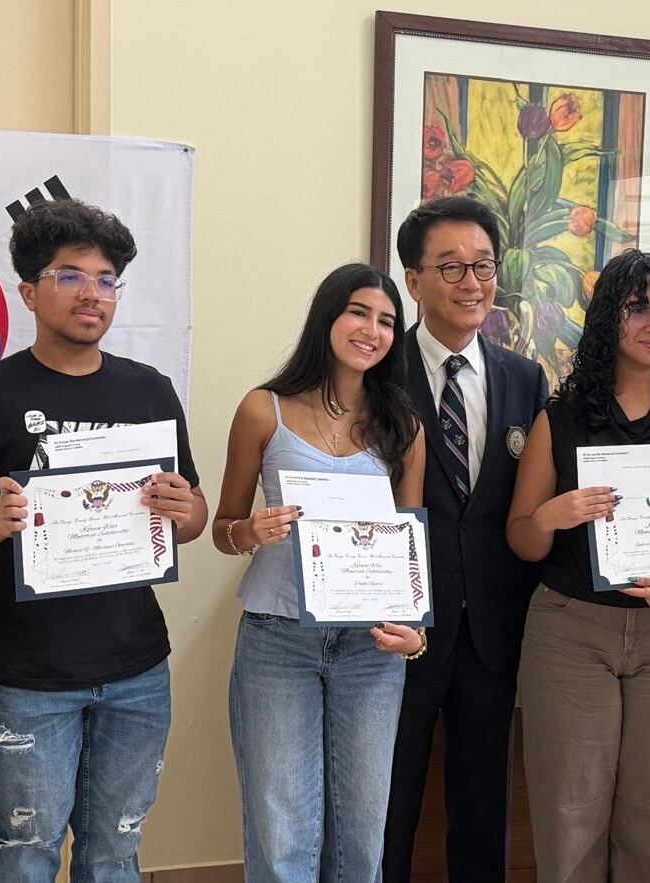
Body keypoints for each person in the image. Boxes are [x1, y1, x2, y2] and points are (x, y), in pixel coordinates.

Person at [0, 199, 208, 883]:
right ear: (29, 291)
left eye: (106, 279)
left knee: (115, 851)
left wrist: (186, 510)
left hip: (137, 668)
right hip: (27, 675)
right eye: (70, 276)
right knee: (25, 850)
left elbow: (193, 514)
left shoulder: (149, 390)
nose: (92, 293)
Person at [506, 249, 650, 883]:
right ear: (609, 318)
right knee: (569, 815)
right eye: (638, 308)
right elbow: (523, 540)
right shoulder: (558, 420)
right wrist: (553, 515)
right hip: (571, 633)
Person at [214, 262, 425, 883]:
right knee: (282, 834)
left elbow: (409, 546)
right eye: (359, 312)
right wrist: (250, 532)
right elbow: (224, 527)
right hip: (278, 638)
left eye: (386, 321)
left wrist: (415, 633)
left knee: (362, 836)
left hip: (372, 647)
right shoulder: (264, 410)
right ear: (327, 317)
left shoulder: (404, 426)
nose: (371, 330)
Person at [382, 197, 549, 883]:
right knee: (387, 800)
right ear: (413, 280)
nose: (472, 282)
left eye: (483, 265)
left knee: (484, 803)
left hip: (491, 627)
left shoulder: (524, 377)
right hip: (396, 626)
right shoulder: (376, 371)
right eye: (450, 267)